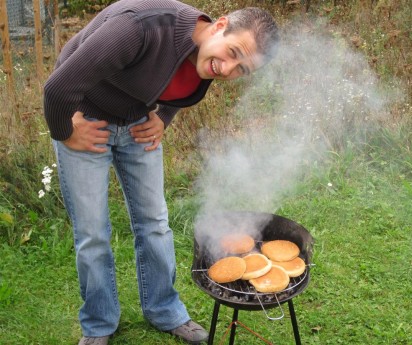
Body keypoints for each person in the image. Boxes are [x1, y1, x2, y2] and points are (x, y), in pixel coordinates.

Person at [43, 0, 279, 344]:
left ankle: (164, 310)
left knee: (154, 224)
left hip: (137, 124)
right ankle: (98, 324)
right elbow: (57, 87)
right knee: (93, 232)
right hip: (86, 120)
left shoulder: (210, 57)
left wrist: (162, 119)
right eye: (233, 52)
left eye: (242, 69)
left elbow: (179, 87)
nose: (228, 69)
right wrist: (65, 131)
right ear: (219, 25)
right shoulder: (138, 28)